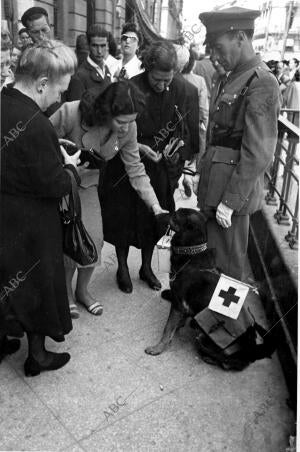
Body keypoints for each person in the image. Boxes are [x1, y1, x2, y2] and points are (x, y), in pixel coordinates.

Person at [0, 40, 81, 376]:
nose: (60, 98)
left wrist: (49, 148)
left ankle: (4, 340)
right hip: (31, 222)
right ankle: (38, 357)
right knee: (37, 283)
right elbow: (54, 184)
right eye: (60, 90)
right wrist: (70, 166)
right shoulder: (36, 123)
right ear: (42, 83)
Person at [51, 82, 166, 310]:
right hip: (57, 185)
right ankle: (66, 295)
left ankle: (82, 291)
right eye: (121, 121)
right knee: (66, 242)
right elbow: (38, 140)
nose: (126, 128)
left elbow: (135, 169)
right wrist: (63, 162)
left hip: (88, 187)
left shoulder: (129, 128)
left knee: (94, 239)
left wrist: (156, 206)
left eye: (131, 121)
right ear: (106, 112)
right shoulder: (71, 112)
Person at [195, 6, 281, 280]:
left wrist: (230, 202)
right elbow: (215, 134)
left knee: (227, 269)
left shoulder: (262, 82)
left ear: (240, 37)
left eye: (219, 47)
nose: (215, 56)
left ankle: (229, 323)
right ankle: (208, 319)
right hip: (214, 185)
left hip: (231, 193)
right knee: (211, 259)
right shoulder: (230, 77)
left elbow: (258, 151)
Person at [113, 41, 197, 291]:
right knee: (124, 216)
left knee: (156, 218)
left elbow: (183, 130)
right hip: (128, 161)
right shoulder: (128, 88)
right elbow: (113, 132)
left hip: (161, 165)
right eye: (158, 80)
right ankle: (122, 267)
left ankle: (147, 267)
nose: (163, 86)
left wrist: (175, 154)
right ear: (148, 68)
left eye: (167, 81)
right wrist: (137, 146)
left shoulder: (178, 90)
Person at [66, 25, 112, 101]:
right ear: (88, 45)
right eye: (95, 46)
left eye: (103, 46)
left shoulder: (106, 69)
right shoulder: (79, 77)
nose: (99, 51)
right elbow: (75, 109)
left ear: (107, 45)